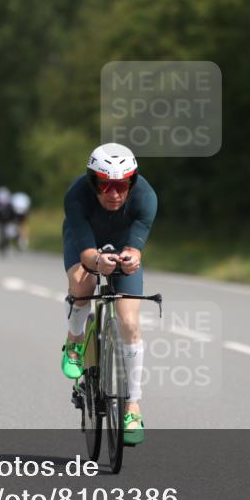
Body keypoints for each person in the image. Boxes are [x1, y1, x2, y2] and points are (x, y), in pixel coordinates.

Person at [61, 143, 157, 444]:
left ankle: (133, 407)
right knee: (83, 285)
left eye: (121, 185)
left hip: (121, 242)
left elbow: (134, 248)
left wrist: (132, 258)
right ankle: (75, 340)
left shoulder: (146, 197)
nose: (114, 193)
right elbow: (87, 252)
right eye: (105, 185)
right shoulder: (76, 196)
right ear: (93, 182)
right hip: (85, 240)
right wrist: (96, 262)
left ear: (132, 181)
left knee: (129, 323)